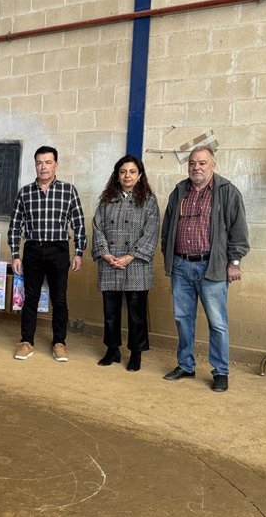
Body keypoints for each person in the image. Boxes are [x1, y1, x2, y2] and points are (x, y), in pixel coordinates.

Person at [161, 146, 249, 392]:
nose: (196, 167)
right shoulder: (179, 192)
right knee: (182, 319)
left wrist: (234, 263)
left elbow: (239, 231)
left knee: (217, 322)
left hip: (212, 267)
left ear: (213, 165)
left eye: (202, 163)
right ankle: (186, 366)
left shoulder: (227, 192)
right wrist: (168, 256)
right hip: (181, 266)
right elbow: (167, 229)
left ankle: (220, 371)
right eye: (192, 163)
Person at [8, 145, 86, 362]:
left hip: (59, 250)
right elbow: (15, 226)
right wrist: (15, 253)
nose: (43, 167)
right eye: (39, 163)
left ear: (56, 165)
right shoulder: (25, 192)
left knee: (59, 299)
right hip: (32, 250)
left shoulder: (68, 191)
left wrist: (79, 252)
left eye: (48, 162)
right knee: (30, 298)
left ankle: (59, 343)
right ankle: (26, 342)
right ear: (35, 165)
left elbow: (78, 223)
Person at [91, 155, 159, 371]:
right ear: (117, 175)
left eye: (131, 172)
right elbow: (97, 227)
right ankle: (112, 350)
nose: (127, 175)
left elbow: (151, 231)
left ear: (139, 176)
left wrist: (131, 255)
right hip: (110, 263)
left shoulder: (148, 200)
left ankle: (136, 353)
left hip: (137, 265)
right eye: (122, 172)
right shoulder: (106, 200)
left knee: (136, 314)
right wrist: (105, 253)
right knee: (110, 313)